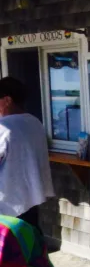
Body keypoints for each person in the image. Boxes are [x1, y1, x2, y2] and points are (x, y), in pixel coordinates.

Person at [0, 77, 54, 232]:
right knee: (29, 247)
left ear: (7, 100)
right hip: (31, 199)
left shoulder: (5, 127)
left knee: (10, 251)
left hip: (8, 205)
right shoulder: (35, 122)